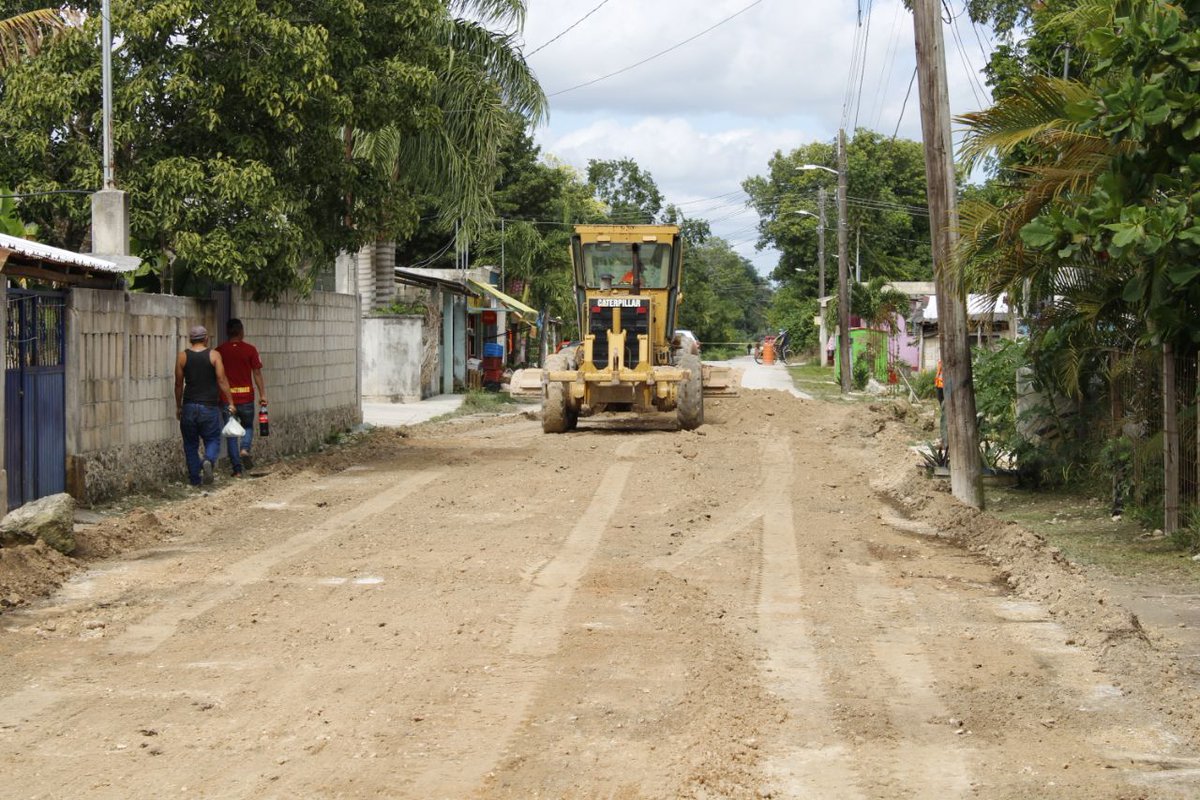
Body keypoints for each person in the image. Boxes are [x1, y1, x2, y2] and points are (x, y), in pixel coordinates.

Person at [174, 325, 235, 487]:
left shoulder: (182, 357)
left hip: (189, 406)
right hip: (209, 406)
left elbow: (178, 384)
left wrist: (178, 406)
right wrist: (230, 402)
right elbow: (222, 380)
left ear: (190, 339)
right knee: (213, 439)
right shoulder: (214, 355)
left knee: (190, 444)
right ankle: (208, 460)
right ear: (206, 338)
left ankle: (195, 480)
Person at [216, 318, 266, 477]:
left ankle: (237, 470)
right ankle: (244, 449)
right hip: (246, 398)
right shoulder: (250, 350)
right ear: (241, 332)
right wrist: (262, 394)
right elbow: (257, 373)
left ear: (227, 332)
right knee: (248, 426)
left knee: (231, 433)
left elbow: (217, 377)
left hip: (227, 400)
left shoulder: (219, 351)